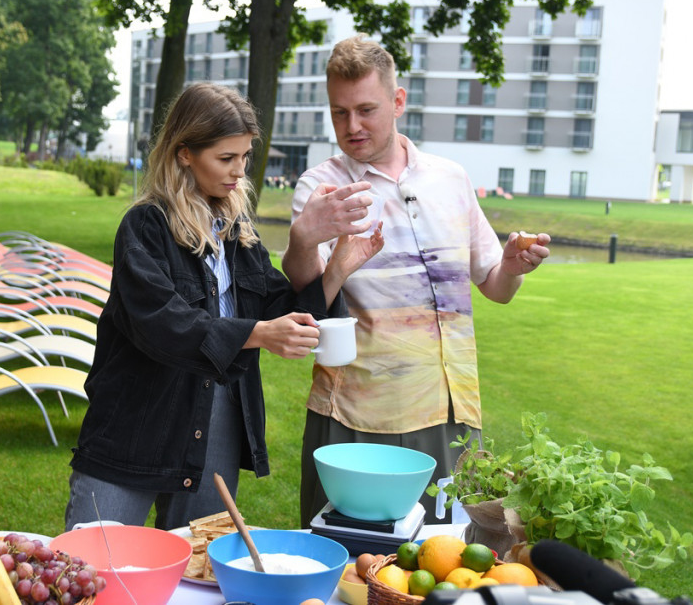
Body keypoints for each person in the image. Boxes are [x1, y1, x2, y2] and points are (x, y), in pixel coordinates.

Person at [65, 82, 383, 531]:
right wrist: (256, 334)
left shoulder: (236, 229)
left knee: (197, 578)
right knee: (98, 575)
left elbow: (278, 304)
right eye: (226, 158)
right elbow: (160, 321)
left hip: (215, 428)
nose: (239, 172)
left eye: (245, 158)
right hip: (133, 429)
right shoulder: (145, 226)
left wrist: (335, 270)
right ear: (184, 153)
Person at [281, 36, 551, 527]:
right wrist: (304, 240)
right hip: (359, 416)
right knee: (354, 569)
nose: (352, 126)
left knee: (451, 565)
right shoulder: (321, 188)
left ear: (398, 101)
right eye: (339, 113)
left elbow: (494, 286)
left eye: (366, 109)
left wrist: (511, 267)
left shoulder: (450, 178)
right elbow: (304, 298)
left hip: (453, 410)